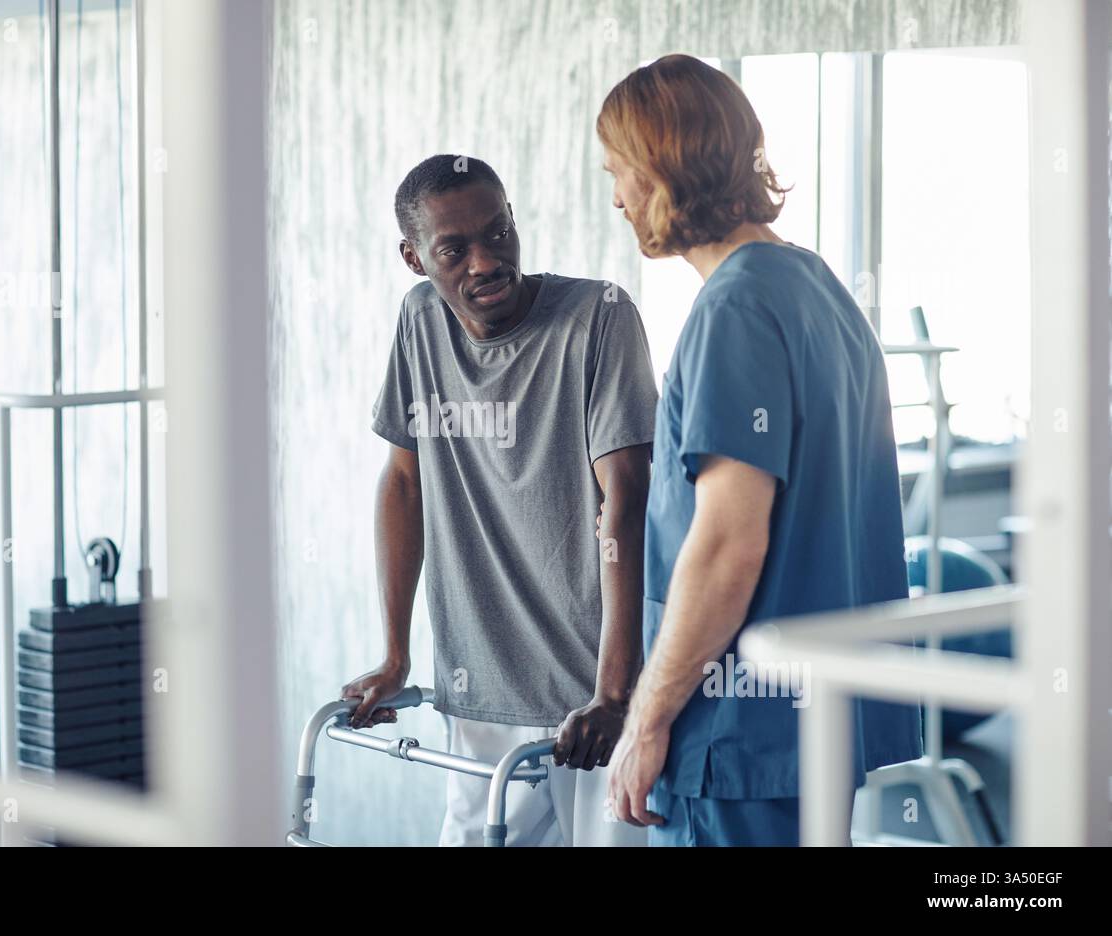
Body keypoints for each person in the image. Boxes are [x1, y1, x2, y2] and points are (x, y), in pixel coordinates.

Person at [597, 54, 922, 846]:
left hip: (735, 739)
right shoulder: (820, 290)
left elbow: (728, 543)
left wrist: (646, 717)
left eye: (619, 171)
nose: (614, 196)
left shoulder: (734, 309)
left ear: (663, 168)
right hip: (810, 731)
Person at [342, 154, 657, 846]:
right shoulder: (421, 319)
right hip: (481, 681)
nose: (486, 261)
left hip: (595, 687)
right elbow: (404, 482)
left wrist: (615, 692)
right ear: (415, 257)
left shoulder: (597, 317)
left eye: (499, 233)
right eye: (455, 248)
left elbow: (626, 501)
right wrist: (396, 655)